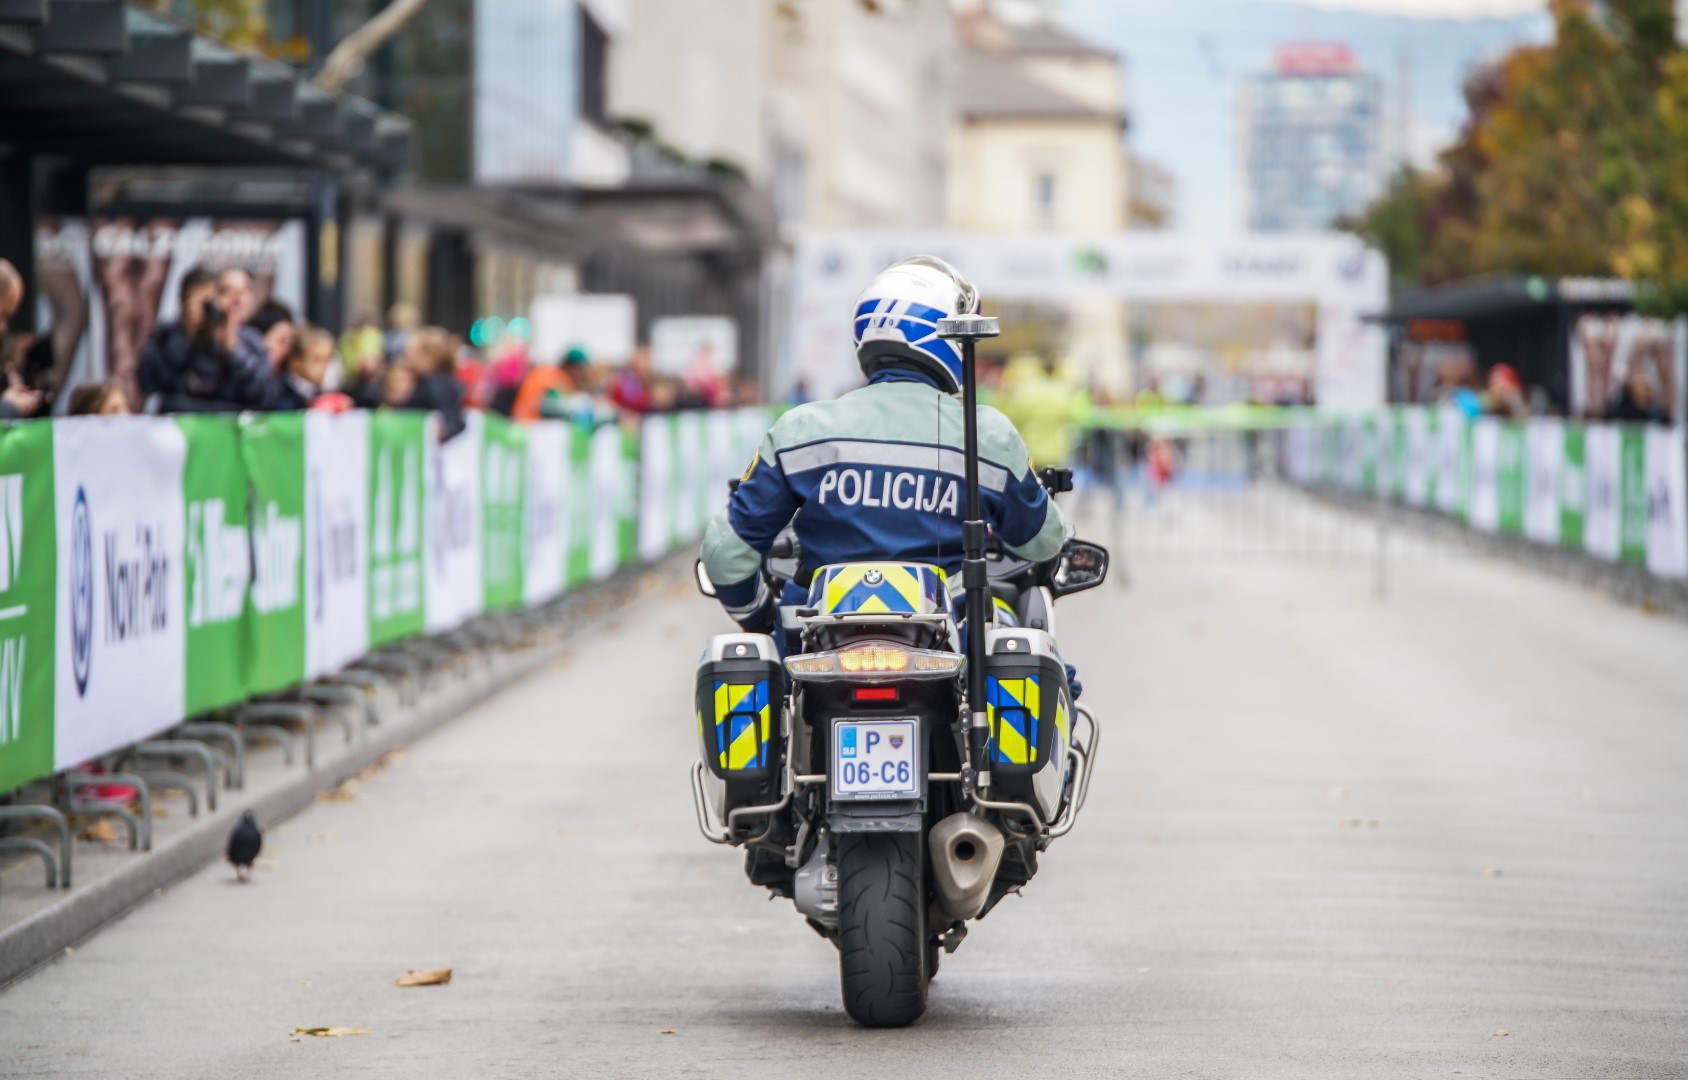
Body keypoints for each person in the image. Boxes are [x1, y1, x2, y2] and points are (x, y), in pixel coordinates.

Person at [699, 255, 1069, 666]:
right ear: (948, 337)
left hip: (816, 651)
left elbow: (724, 554)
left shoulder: (801, 429)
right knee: (1036, 657)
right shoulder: (987, 435)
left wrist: (760, 615)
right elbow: (1043, 542)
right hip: (951, 647)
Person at [136, 266, 274, 412]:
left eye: (210, 303)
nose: (206, 310)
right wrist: (188, 335)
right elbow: (149, 383)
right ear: (183, 302)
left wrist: (233, 348)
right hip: (178, 419)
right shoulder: (166, 335)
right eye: (200, 303)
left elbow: (263, 396)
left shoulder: (249, 341)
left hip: (226, 420)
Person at [272, 327, 335, 410]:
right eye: (317, 360)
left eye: (327, 360)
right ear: (295, 360)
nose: (324, 367)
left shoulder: (321, 391)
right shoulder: (279, 393)